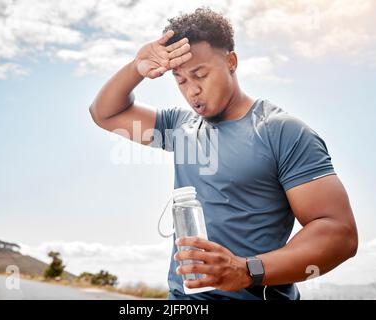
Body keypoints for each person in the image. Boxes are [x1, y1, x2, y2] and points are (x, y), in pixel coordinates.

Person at [89, 7, 358, 300]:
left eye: (200, 74)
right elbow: (105, 113)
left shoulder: (280, 131)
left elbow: (338, 233)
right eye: (181, 80)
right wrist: (135, 68)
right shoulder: (180, 126)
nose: (192, 90)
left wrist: (246, 270)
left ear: (231, 61)